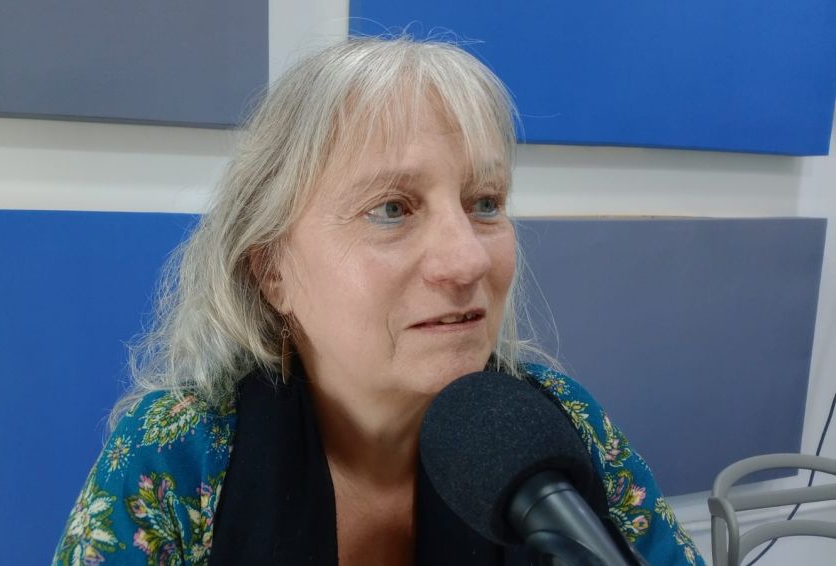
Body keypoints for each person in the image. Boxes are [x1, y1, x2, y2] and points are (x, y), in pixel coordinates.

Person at [52, 37, 705, 565]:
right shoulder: (181, 455)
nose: (468, 261)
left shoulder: (563, 430)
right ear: (273, 271)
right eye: (391, 209)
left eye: (484, 203)